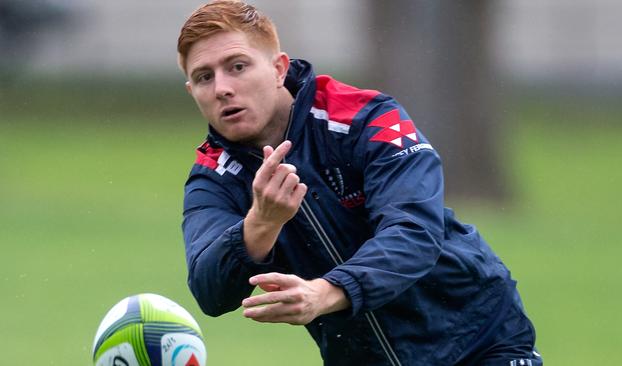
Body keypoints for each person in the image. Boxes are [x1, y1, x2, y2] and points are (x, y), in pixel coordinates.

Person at [178, 1, 542, 365]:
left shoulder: (366, 119)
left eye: (237, 67)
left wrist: (326, 292)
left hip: (478, 340)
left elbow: (414, 232)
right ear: (191, 91)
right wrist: (261, 223)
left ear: (278, 69)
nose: (222, 88)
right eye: (204, 77)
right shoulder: (213, 177)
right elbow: (210, 291)